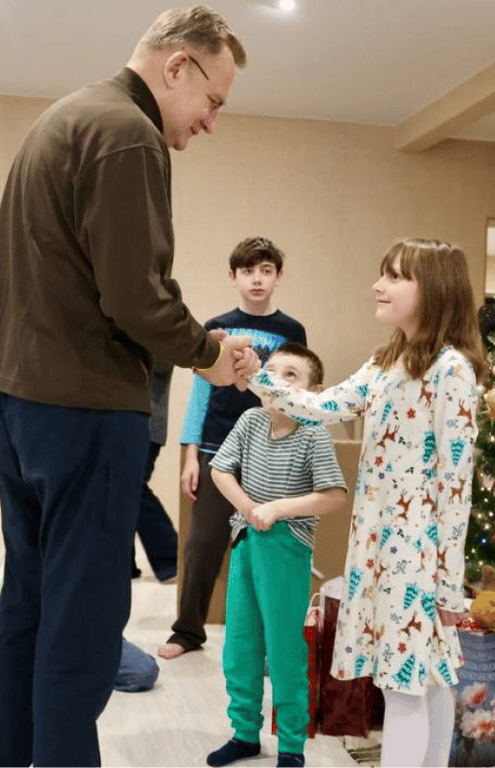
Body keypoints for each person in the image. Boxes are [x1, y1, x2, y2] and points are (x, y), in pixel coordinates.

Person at [0, 7, 256, 767]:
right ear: (176, 67)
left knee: (28, 601)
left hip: (20, 401)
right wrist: (209, 353)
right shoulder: (128, 134)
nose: (212, 121)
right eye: (214, 99)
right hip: (84, 403)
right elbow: (135, 294)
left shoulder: (65, 115)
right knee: (84, 620)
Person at [242, 239, 485, 768]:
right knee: (425, 677)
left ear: (435, 291)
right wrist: (258, 377)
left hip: (418, 555)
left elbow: (456, 485)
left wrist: (447, 580)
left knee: (406, 684)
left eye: (396, 277)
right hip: (379, 544)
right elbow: (323, 405)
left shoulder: (452, 372)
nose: (379, 285)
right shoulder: (386, 361)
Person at [161, 235, 306, 660]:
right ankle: (188, 631)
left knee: (268, 543)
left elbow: (294, 390)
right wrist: (191, 454)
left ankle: (268, 638)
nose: (257, 279)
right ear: (233, 277)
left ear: (278, 277)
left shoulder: (291, 331)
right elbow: (200, 394)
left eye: (266, 271)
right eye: (248, 271)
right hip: (215, 449)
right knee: (202, 543)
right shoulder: (215, 327)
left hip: (270, 447)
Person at [205, 342, 346, 768]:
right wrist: (250, 508)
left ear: (313, 391)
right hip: (247, 540)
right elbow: (219, 469)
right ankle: (244, 732)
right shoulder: (250, 421)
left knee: (284, 649)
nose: (280, 382)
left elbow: (333, 495)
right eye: (275, 372)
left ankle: (290, 745)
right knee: (240, 645)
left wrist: (278, 510)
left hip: (286, 548)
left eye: (293, 376)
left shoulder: (314, 434)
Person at [133, 359, 179, 581]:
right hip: (134, 419)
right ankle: (124, 564)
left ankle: (171, 557)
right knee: (120, 491)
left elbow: (159, 364)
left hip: (145, 421)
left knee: (132, 487)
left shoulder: (153, 328)